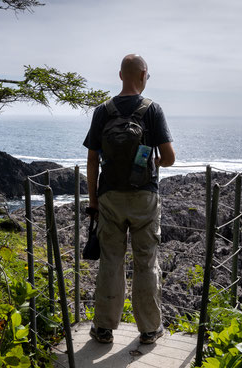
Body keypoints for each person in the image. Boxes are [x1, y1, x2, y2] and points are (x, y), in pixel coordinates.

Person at [83, 54, 175, 345]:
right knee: (146, 262)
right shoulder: (152, 110)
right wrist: (151, 162)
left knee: (111, 261)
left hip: (109, 196)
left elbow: (92, 159)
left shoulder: (103, 111)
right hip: (144, 197)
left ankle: (103, 329)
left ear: (120, 75)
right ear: (143, 74)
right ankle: (149, 329)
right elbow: (170, 158)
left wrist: (94, 200)